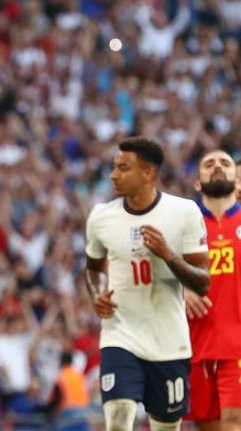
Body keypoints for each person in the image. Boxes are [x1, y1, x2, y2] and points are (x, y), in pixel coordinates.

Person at [84, 136, 210, 431]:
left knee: (166, 426)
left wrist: (168, 255)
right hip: (120, 336)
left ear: (148, 173)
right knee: (118, 418)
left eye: (123, 168)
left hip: (169, 343)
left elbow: (203, 283)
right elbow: (91, 269)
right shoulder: (101, 217)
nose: (114, 175)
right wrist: (95, 294)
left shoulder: (184, 213)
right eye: (114, 167)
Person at [184, 149, 241, 431]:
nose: (217, 166)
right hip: (197, 345)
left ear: (237, 179)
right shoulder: (183, 227)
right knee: (209, 427)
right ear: (198, 182)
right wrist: (181, 291)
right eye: (209, 164)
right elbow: (158, 277)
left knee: (233, 424)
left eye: (225, 163)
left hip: (237, 345)